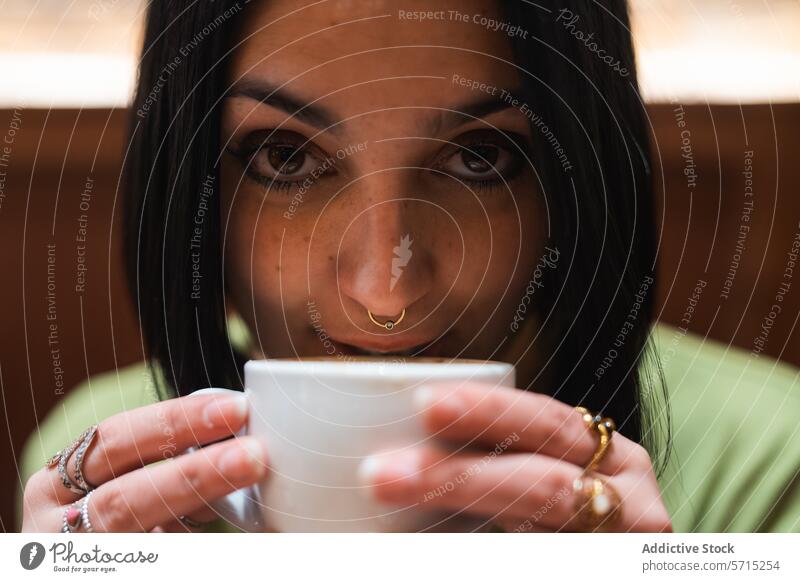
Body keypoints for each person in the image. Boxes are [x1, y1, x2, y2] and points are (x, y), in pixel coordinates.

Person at [17, 0, 800, 533]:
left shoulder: (769, 463)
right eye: (285, 159)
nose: (383, 294)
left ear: (577, 185)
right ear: (192, 195)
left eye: (481, 157)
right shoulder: (103, 465)